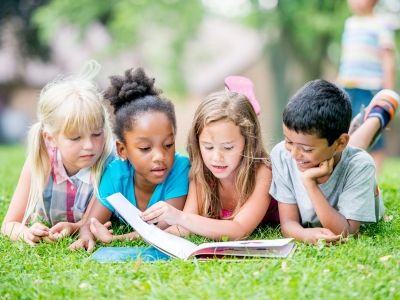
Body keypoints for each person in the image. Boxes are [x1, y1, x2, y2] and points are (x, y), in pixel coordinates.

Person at [140, 77, 279, 240]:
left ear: (248, 142)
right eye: (208, 146)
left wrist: (179, 217)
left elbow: (239, 229)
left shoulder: (262, 172)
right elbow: (185, 227)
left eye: (228, 147)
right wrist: (141, 235)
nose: (216, 157)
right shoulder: (202, 172)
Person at [70, 67, 190, 252]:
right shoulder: (115, 174)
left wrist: (115, 238)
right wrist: (87, 236)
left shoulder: (180, 168)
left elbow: (162, 229)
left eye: (168, 145)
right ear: (122, 150)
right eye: (145, 148)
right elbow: (91, 222)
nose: (160, 157)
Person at [270, 79, 399, 244]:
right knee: (347, 149)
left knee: (352, 155)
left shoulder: (360, 166)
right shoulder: (282, 154)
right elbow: (288, 223)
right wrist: (304, 235)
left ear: (340, 142)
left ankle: (377, 116)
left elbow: (348, 232)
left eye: (307, 149)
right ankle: (364, 124)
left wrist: (310, 184)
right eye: (288, 141)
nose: (294, 154)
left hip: (346, 154)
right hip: (337, 146)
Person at [1, 61, 114, 246]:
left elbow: (91, 224)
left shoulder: (109, 164)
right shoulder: (41, 160)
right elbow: (9, 224)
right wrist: (26, 233)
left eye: (96, 134)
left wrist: (75, 227)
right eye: (76, 138)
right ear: (50, 138)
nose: (89, 146)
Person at [337, 0, 397, 173]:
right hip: (347, 86)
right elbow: (345, 58)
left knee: (372, 127)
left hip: (370, 86)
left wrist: (388, 91)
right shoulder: (350, 24)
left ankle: (375, 174)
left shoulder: (380, 24)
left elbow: (387, 58)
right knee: (347, 129)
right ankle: (349, 170)